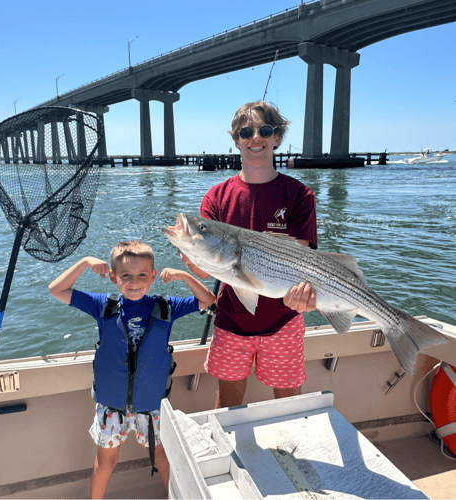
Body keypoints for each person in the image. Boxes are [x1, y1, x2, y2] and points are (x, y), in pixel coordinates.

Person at [48, 241, 216, 499]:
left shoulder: (167, 307)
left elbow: (207, 299)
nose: (134, 282)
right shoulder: (102, 305)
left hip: (152, 408)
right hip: (111, 408)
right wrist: (84, 263)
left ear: (153, 276)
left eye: (141, 275)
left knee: (163, 459)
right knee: (105, 463)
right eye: (125, 276)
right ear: (114, 277)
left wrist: (183, 275)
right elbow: (56, 289)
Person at [182, 100, 318, 409]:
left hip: (285, 320)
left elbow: (306, 263)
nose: (255, 138)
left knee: (288, 411)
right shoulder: (216, 198)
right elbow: (207, 272)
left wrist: (306, 297)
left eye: (264, 130)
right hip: (232, 321)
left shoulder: (299, 195)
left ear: (277, 138)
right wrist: (191, 257)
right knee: (227, 411)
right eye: (246, 132)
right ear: (236, 140)